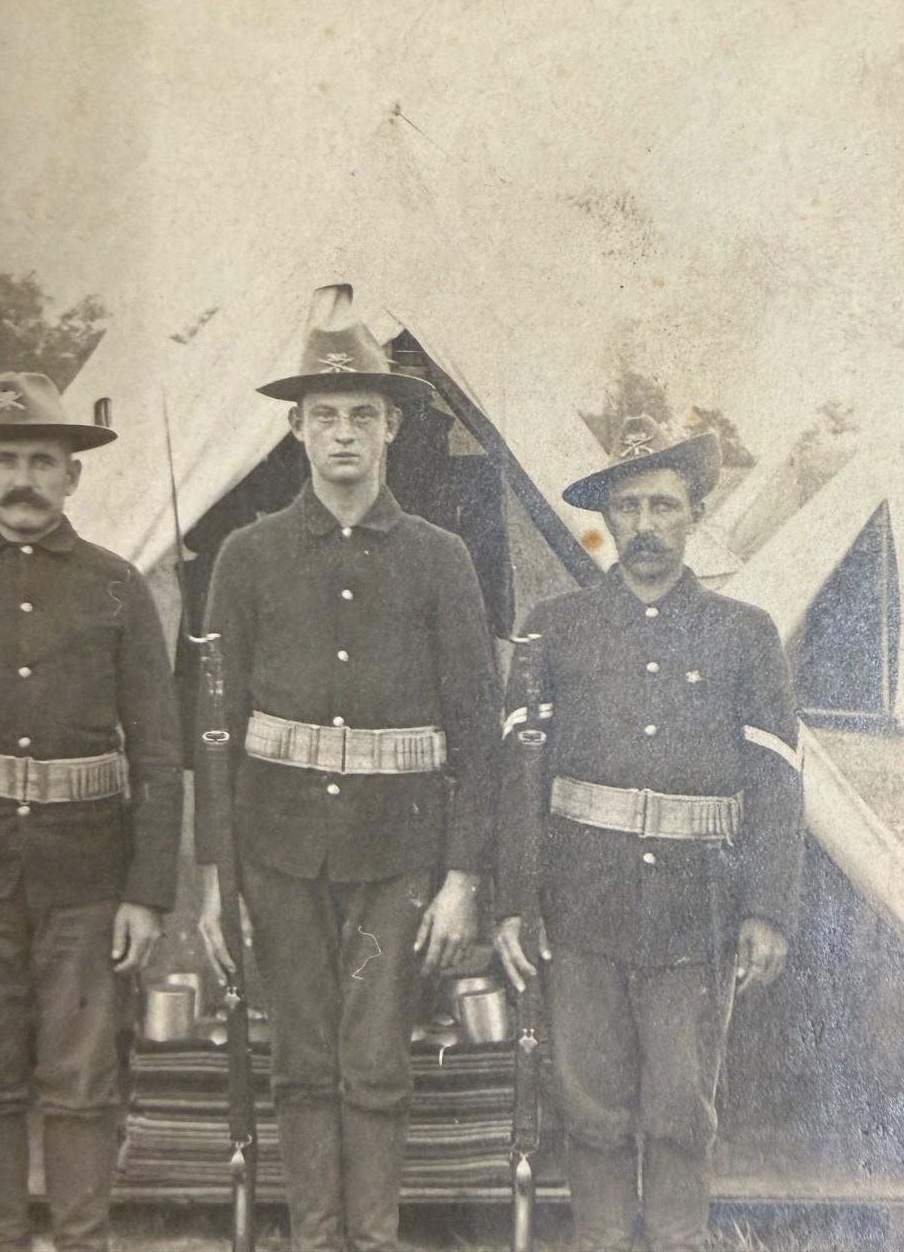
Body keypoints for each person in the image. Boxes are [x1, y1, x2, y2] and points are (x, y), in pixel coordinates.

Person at [195, 285, 500, 1252]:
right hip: (280, 849)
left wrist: (462, 877)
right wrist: (218, 877)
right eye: (323, 416)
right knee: (298, 1062)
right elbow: (215, 728)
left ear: (392, 427)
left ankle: (372, 1241)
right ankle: (314, 1238)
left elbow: (478, 734)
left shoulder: (441, 559)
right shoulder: (246, 556)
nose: (342, 436)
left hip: (398, 857)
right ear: (294, 429)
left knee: (374, 1061)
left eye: (361, 416)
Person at [495, 415, 805, 1252]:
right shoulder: (554, 628)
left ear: (694, 515)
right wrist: (514, 902)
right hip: (583, 902)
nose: (644, 526)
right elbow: (520, 775)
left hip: (694, 911)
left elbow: (778, 781)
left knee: (679, 1105)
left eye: (663, 506)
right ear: (606, 522)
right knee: (591, 1105)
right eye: (627, 508)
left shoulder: (745, 634)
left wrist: (769, 908)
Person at [0, 372, 183, 1252]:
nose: (23, 478)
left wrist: (148, 892)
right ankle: (1, 1240)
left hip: (88, 879)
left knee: (82, 1078)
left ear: (73, 476)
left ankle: (83, 1241)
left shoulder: (117, 589)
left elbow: (159, 752)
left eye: (43, 462)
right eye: (5, 459)